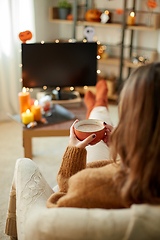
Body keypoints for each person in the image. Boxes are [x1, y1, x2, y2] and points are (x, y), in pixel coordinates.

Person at [46, 62, 160, 209]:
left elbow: (62, 199)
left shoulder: (92, 185)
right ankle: (99, 103)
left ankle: (98, 103)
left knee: (99, 121)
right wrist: (123, 148)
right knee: (100, 122)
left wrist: (73, 153)